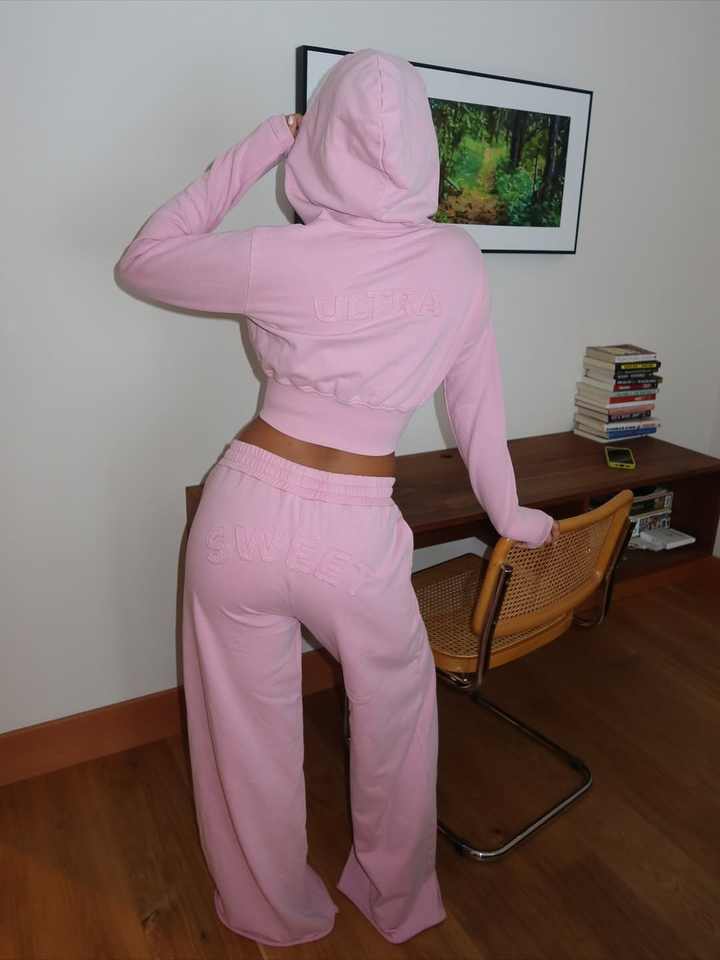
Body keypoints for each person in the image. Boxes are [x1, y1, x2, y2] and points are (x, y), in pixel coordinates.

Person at [114, 47, 558, 948]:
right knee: (398, 718)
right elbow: (478, 411)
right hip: (352, 531)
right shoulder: (456, 262)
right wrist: (510, 514)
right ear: (423, 149)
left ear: (323, 143)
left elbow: (144, 260)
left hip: (242, 508)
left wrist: (262, 144)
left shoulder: (279, 255)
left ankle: (271, 909)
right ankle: (395, 898)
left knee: (247, 733)